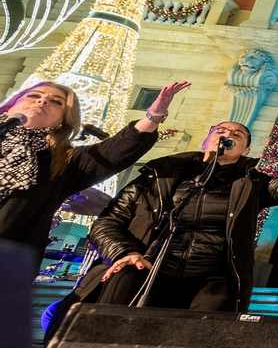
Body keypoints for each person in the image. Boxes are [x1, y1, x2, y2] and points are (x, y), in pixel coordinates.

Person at [80, 109, 278, 313]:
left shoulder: (252, 185)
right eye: (220, 131)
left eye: (237, 134)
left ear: (245, 151)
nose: (227, 134)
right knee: (122, 282)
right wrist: (125, 253)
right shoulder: (159, 175)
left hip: (210, 279)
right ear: (205, 141)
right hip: (147, 265)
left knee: (216, 305)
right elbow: (107, 222)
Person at [0, 80, 184, 255]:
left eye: (57, 102)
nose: (43, 100)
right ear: (10, 105)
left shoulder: (64, 161)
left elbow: (119, 149)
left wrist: (154, 114)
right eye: (33, 96)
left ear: (63, 121)